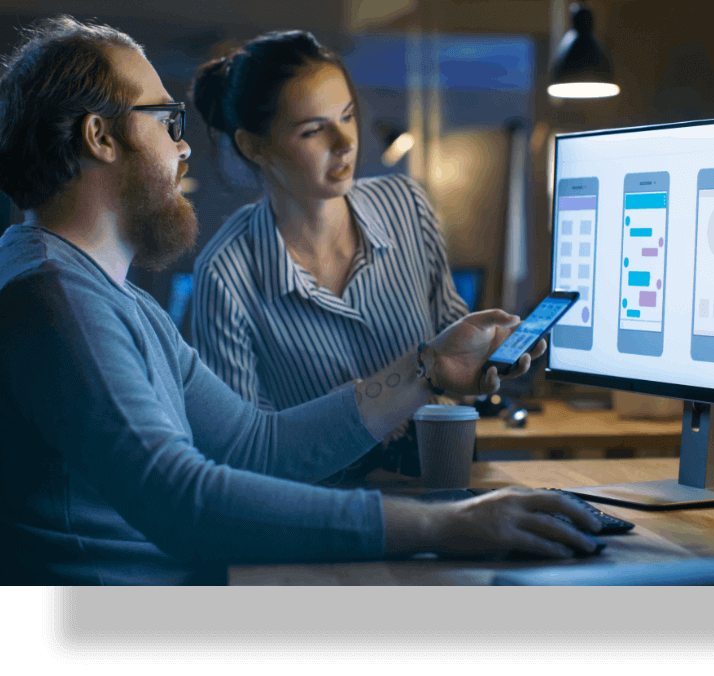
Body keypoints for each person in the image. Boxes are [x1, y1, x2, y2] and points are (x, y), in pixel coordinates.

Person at [0, 16, 603, 585]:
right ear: (100, 136)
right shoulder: (55, 301)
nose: (182, 148)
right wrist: (448, 524)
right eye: (165, 120)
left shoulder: (111, 298)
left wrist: (429, 369)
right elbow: (184, 504)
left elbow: (255, 447)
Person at [189, 31, 468, 483]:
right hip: (323, 517)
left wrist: (486, 359)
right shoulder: (226, 275)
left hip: (441, 486)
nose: (345, 143)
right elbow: (240, 457)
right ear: (253, 146)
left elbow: (451, 341)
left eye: (348, 116)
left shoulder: (407, 205)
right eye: (314, 129)